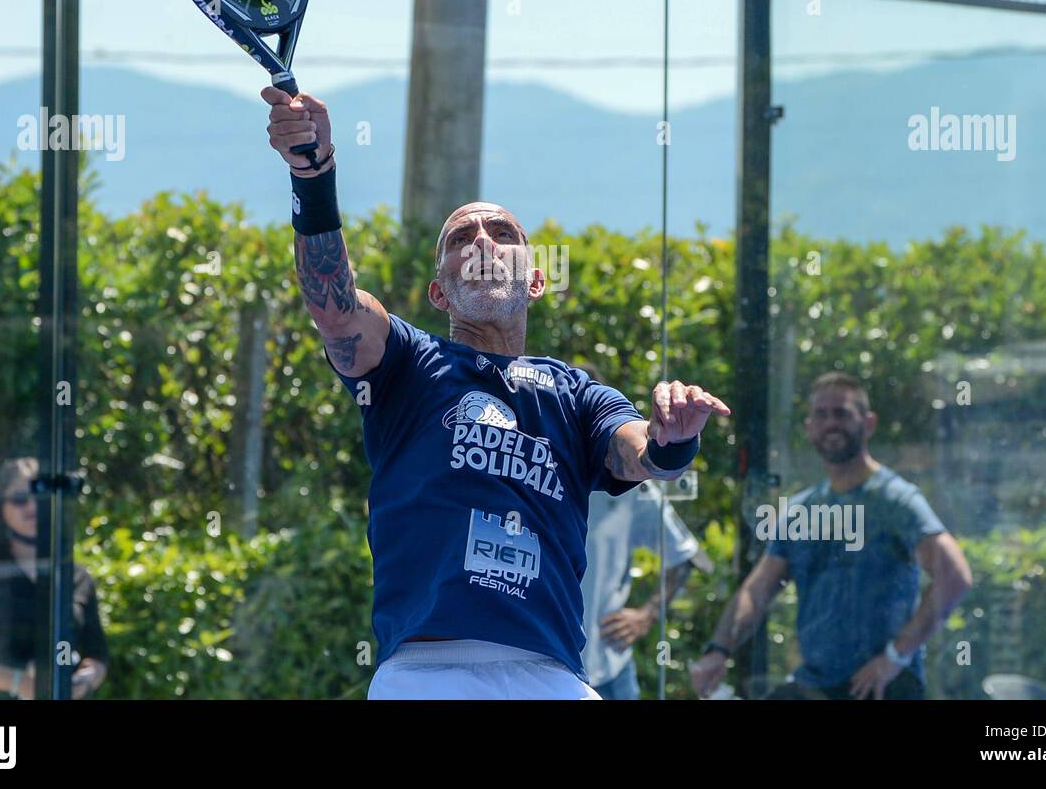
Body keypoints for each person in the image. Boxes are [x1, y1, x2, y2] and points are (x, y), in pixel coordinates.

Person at [263, 87, 730, 699]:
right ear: (439, 294)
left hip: (554, 676)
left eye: (501, 232)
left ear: (534, 282)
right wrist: (312, 174)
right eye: (461, 239)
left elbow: (638, 452)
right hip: (424, 674)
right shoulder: (409, 364)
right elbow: (337, 310)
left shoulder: (576, 393)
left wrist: (674, 438)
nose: (482, 241)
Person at [689, 372, 972, 700]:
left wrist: (895, 657)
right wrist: (718, 650)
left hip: (881, 688)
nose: (830, 423)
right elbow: (758, 590)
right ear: (809, 427)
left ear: (868, 423)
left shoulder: (896, 500)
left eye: (842, 413)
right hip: (816, 686)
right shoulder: (801, 509)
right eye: (821, 415)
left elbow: (955, 576)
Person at [0, 457, 109, 699]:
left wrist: (86, 679)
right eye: (20, 499)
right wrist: (20, 683)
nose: (31, 507)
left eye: (40, 498)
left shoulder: (75, 576)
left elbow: (97, 654)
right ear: (0, 508)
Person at [582, 483, 712, 699]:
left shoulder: (629, 483)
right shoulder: (528, 471)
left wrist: (647, 614)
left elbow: (689, 557)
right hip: (535, 665)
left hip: (608, 671)